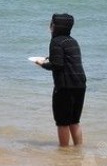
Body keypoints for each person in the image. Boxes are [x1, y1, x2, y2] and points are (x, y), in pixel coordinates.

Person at [33, 12, 85, 147]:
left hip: (65, 86)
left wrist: (42, 63)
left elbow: (57, 65)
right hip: (80, 85)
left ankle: (64, 152)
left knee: (62, 122)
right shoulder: (72, 41)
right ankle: (78, 149)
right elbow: (67, 60)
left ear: (54, 27)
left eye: (51, 24)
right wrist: (49, 59)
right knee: (74, 121)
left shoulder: (55, 41)